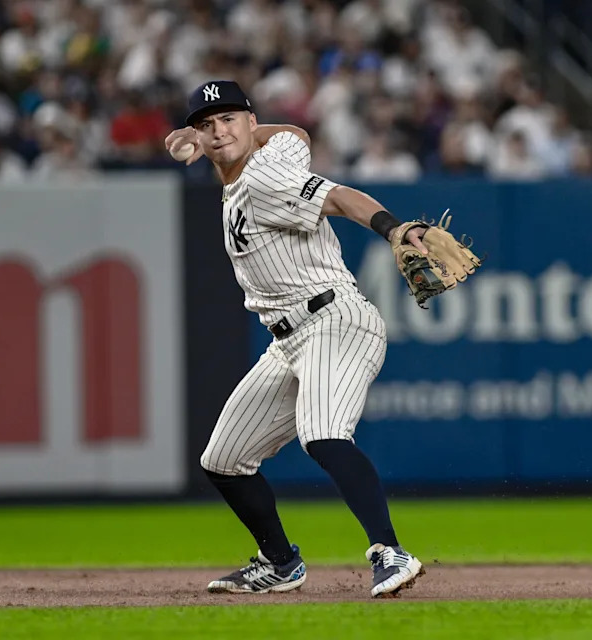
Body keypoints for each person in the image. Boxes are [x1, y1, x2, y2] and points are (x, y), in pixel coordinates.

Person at [164, 80, 436, 598]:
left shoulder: (265, 180)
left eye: (230, 120)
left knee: (324, 433)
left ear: (249, 121)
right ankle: (280, 562)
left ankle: (389, 551)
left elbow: (337, 197)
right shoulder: (276, 146)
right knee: (223, 460)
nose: (219, 131)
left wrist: (392, 228)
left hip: (335, 320)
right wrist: (202, 141)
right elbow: (295, 132)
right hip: (287, 341)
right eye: (207, 124)